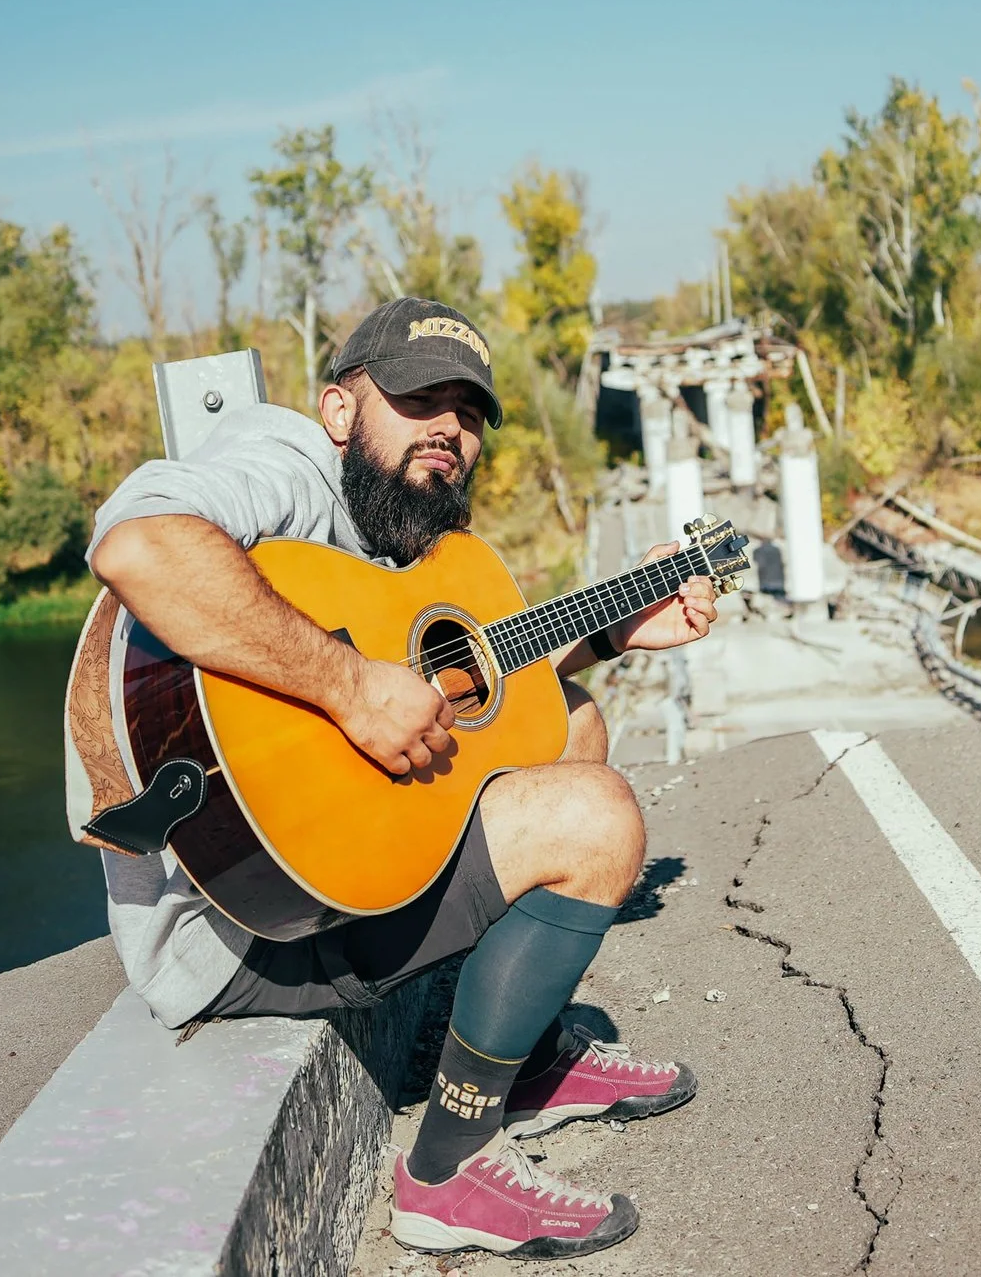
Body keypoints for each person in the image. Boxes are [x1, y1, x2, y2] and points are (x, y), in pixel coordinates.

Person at [75, 296, 721, 1260]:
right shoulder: (283, 467)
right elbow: (136, 546)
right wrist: (345, 686)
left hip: (336, 871)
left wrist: (615, 633)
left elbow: (447, 677)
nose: (449, 431)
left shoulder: (401, 534)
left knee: (569, 722)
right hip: (246, 916)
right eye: (420, 400)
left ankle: (529, 1056)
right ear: (339, 411)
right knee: (597, 819)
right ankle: (447, 1175)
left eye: (468, 412)